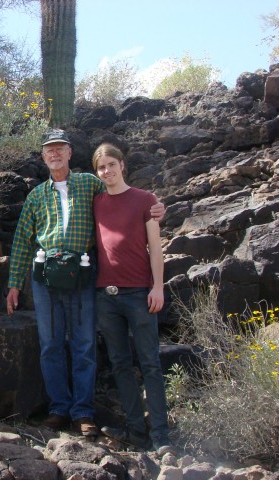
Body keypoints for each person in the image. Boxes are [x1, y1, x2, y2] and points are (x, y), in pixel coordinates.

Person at [6, 130, 164, 438]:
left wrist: (158, 207)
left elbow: (124, 196)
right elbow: (23, 242)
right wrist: (14, 285)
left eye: (60, 149)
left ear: (69, 153)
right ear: (43, 157)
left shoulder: (90, 184)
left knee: (84, 344)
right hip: (45, 278)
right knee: (51, 344)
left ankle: (82, 411)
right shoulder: (36, 196)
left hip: (82, 274)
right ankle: (58, 409)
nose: (55, 154)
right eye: (49, 150)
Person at [91, 143, 175, 456]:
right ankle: (137, 433)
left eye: (111, 164)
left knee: (150, 363)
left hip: (140, 293)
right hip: (106, 296)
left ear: (122, 165)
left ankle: (161, 436)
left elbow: (156, 247)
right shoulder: (96, 202)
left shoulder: (145, 200)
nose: (107, 171)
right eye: (101, 167)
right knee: (120, 364)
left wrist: (158, 287)